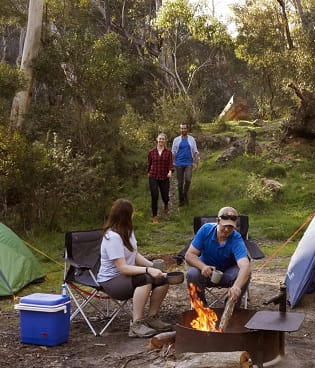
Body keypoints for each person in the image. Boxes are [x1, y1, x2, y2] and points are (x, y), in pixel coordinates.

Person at [96, 199, 172, 338]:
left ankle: (152, 317)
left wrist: (154, 266)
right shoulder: (112, 237)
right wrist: (148, 270)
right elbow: (122, 268)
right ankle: (136, 324)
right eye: (132, 213)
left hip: (126, 277)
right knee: (145, 279)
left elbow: (135, 254)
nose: (133, 216)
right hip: (111, 281)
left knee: (163, 278)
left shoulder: (128, 231)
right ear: (126, 215)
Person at [183, 206, 251, 305]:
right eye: (224, 225)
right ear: (218, 221)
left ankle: (230, 308)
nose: (227, 229)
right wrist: (203, 266)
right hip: (206, 272)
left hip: (228, 273)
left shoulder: (236, 238)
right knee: (192, 273)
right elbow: (189, 255)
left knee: (244, 274)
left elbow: (245, 265)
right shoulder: (206, 230)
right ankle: (201, 309)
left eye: (231, 226)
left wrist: (236, 286)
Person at [171, 123, 199, 207]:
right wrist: (172, 164)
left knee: (188, 180)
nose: (183, 130)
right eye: (182, 128)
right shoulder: (176, 140)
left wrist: (196, 162)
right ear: (180, 129)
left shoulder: (191, 139)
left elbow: (195, 151)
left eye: (184, 128)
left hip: (189, 163)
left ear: (187, 129)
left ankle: (185, 194)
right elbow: (173, 152)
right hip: (178, 163)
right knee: (180, 183)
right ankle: (181, 199)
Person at [146, 133, 173, 222]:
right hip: (153, 176)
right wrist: (148, 172)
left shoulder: (168, 152)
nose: (161, 140)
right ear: (157, 139)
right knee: (154, 195)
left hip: (164, 176)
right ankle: (155, 216)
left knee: (165, 195)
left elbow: (170, 164)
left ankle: (166, 204)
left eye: (163, 139)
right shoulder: (151, 152)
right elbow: (149, 164)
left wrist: (170, 171)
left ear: (165, 141)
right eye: (160, 138)